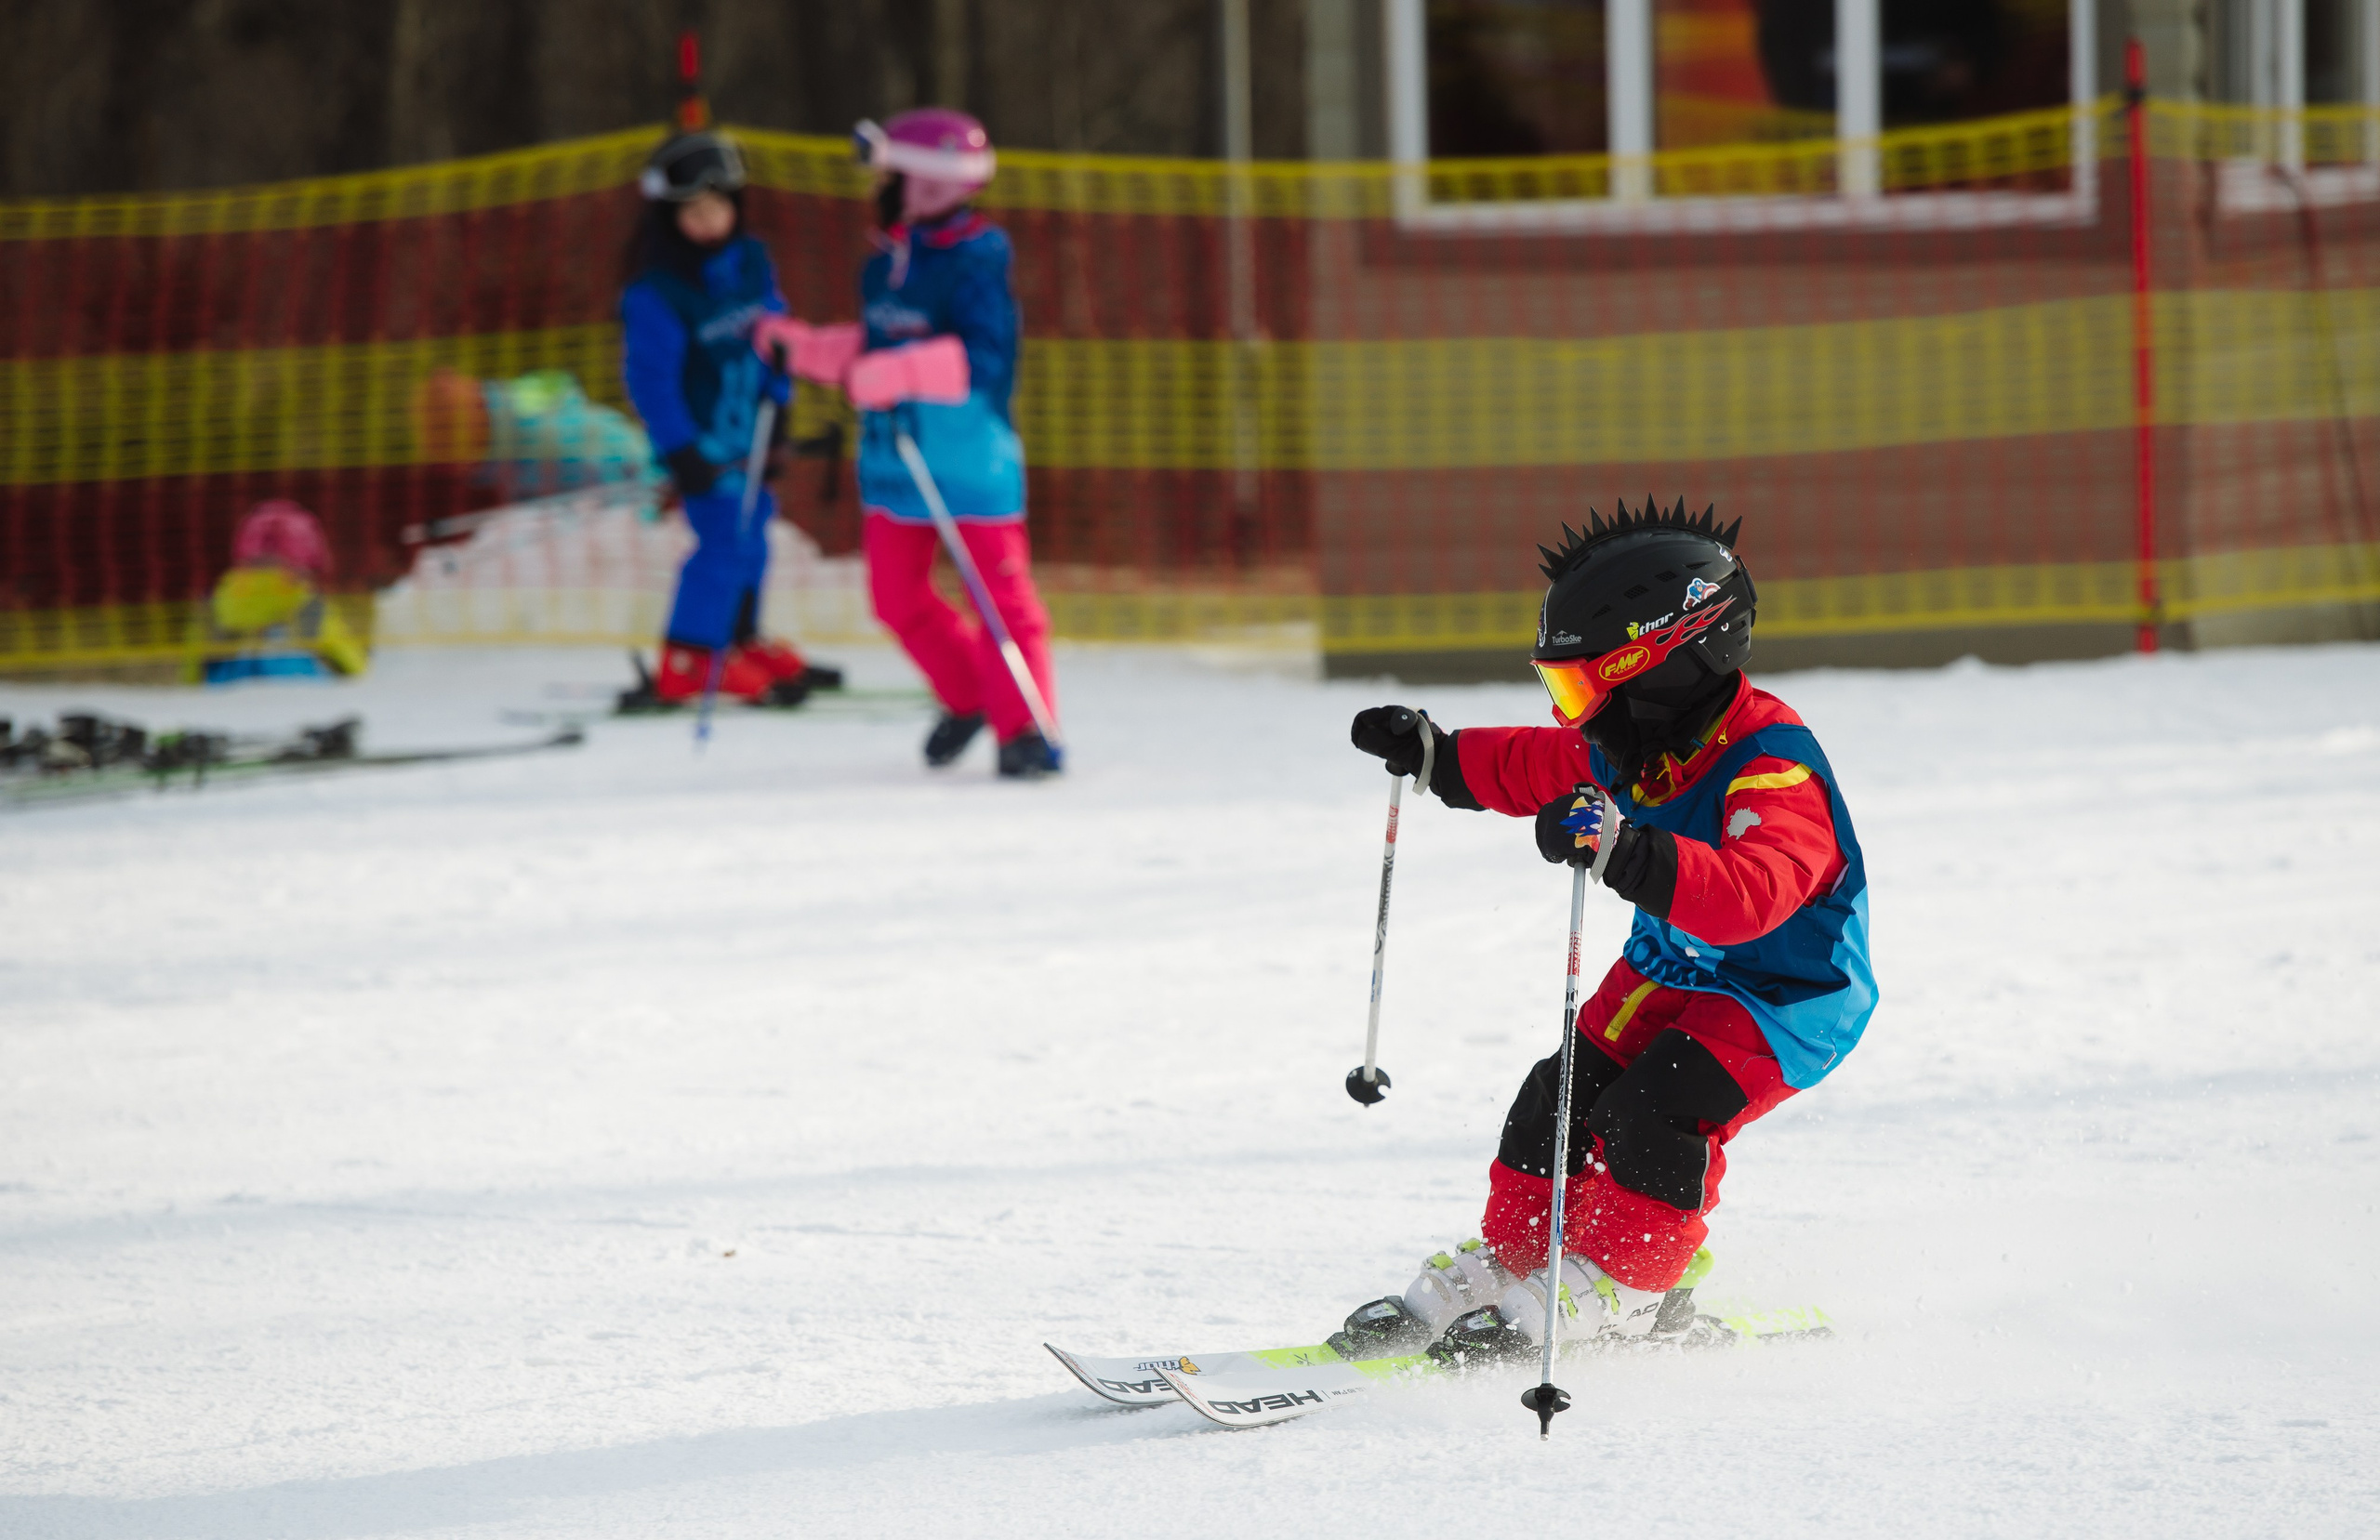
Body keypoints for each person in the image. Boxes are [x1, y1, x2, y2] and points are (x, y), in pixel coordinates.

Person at [1341, 498, 1876, 1358]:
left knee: (1658, 1106)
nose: (1573, 714)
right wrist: (1437, 754)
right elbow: (1531, 764)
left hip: (1783, 998)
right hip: (1668, 970)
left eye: (1585, 685)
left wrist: (1628, 850)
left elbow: (1754, 897)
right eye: (1562, 687)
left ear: (1663, 665)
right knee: (1555, 1096)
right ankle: (1520, 1263)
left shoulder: (1773, 769)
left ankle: (1629, 1285)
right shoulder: (1632, 746)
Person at [760, 108, 1056, 777]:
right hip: (896, 463)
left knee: (1000, 598)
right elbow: (873, 347)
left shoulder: (978, 259)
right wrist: (806, 348)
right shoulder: (887, 262)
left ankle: (1025, 726)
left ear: (926, 183)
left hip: (967, 461)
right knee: (895, 598)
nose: (882, 189)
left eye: (891, 175)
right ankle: (971, 697)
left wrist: (893, 372)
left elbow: (985, 359)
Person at [617, 129, 837, 712]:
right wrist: (681, 451)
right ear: (670, 218)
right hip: (702, 443)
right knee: (723, 540)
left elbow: (776, 337)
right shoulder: (656, 294)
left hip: (751, 432)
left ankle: (737, 638)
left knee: (754, 536)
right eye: (694, 211)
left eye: (720, 207)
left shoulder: (751, 263)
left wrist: (782, 406)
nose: (710, 221)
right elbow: (650, 381)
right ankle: (688, 656)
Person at [193, 500, 369, 683]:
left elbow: (192, 668)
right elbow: (353, 664)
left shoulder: (217, 597)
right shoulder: (305, 599)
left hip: (225, 694)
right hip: (296, 694)